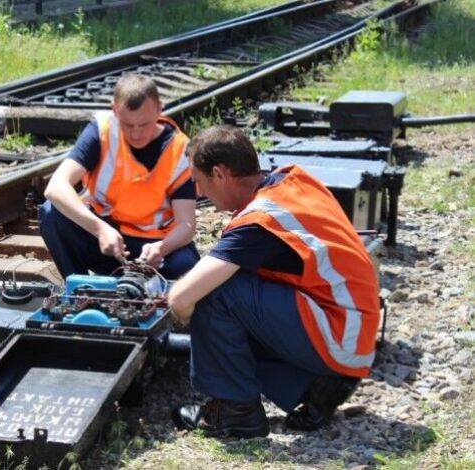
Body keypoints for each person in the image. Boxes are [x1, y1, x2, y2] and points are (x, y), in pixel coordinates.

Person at [167, 125, 379, 438]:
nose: (199, 193)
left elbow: (181, 299)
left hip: (339, 336)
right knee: (238, 291)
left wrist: (191, 322)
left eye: (198, 181)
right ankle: (315, 387)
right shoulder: (291, 179)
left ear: (220, 173)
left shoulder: (259, 222)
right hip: (352, 328)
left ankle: (236, 412)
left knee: (214, 293)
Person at [39, 74, 199, 279]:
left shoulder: (179, 149)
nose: (136, 134)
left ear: (160, 108)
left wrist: (161, 248)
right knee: (51, 212)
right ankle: (78, 289)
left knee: (185, 265)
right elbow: (55, 187)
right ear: (114, 110)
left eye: (144, 125)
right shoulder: (102, 129)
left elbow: (187, 225)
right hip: (107, 240)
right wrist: (100, 229)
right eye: (128, 125)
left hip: (152, 246)